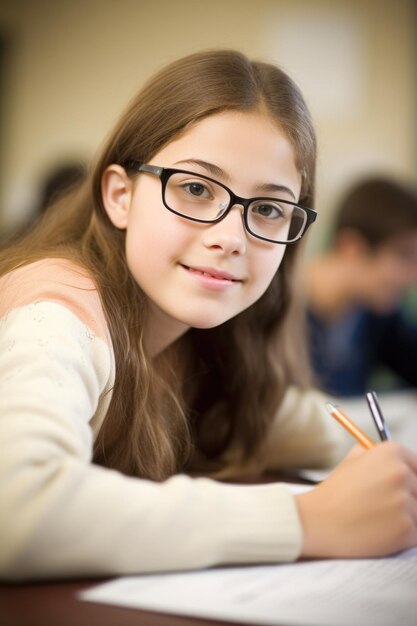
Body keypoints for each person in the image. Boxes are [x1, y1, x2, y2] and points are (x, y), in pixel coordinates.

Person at [0, 50, 416, 582]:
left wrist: (388, 468)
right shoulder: (56, 311)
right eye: (195, 189)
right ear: (120, 196)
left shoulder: (201, 339)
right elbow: (18, 508)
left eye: (267, 208)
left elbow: (294, 425)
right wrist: (307, 520)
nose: (231, 238)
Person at [306, 177, 417, 396]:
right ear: (350, 247)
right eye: (404, 256)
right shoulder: (274, 313)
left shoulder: (376, 312)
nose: (412, 275)